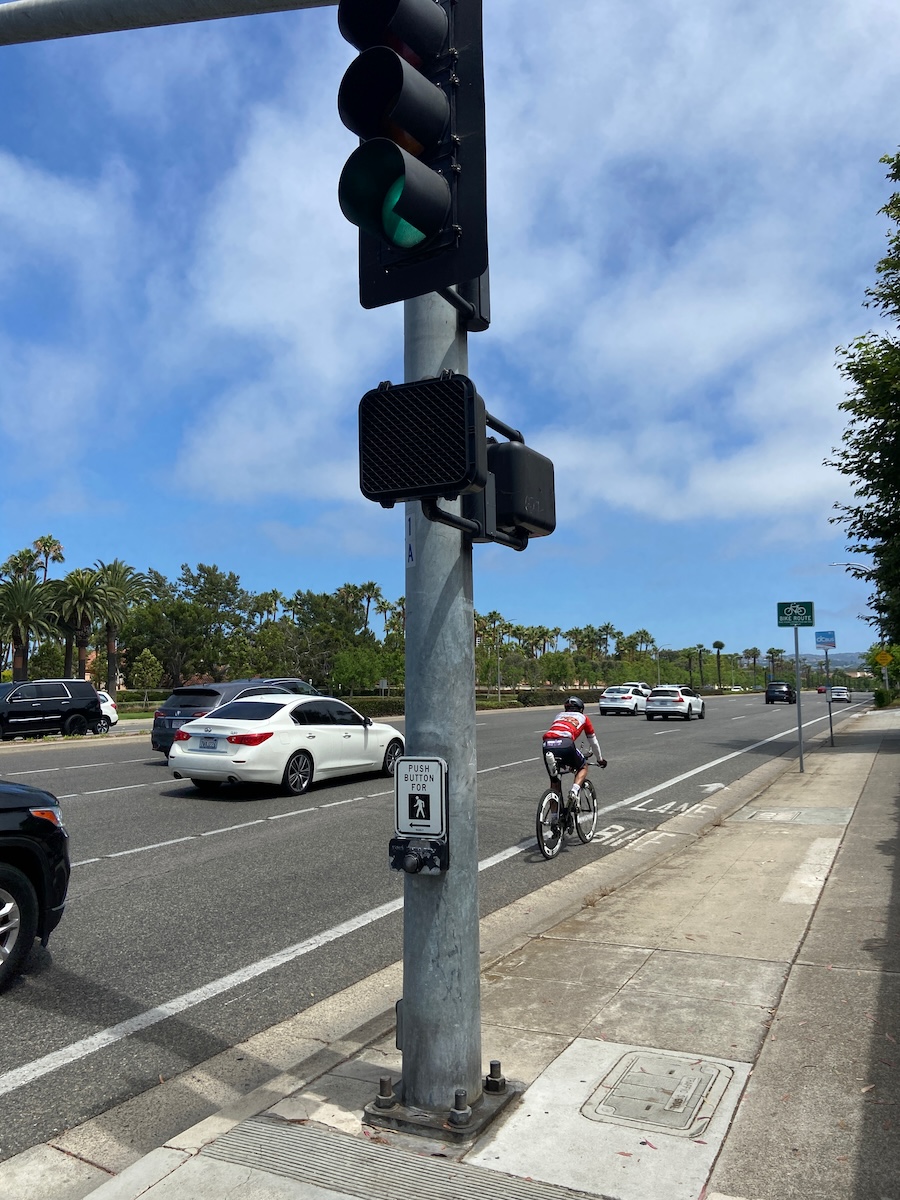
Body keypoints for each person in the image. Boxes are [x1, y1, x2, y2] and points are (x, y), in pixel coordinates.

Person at [542, 697, 607, 803]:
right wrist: (600, 759)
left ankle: (554, 816)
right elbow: (593, 742)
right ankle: (574, 791)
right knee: (583, 767)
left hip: (547, 744)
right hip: (565, 744)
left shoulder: (559, 715)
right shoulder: (584, 718)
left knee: (554, 781)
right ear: (581, 709)